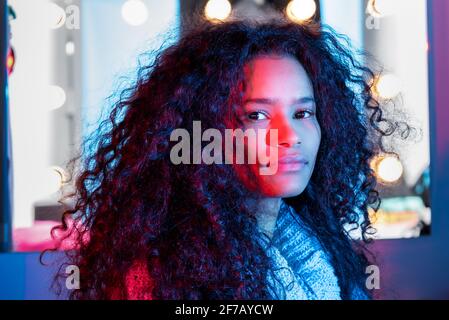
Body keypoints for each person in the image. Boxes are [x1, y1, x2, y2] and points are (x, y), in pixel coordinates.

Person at [47, 17, 407, 300]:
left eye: (302, 113)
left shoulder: (324, 248)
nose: (290, 137)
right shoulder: (163, 274)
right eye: (256, 115)